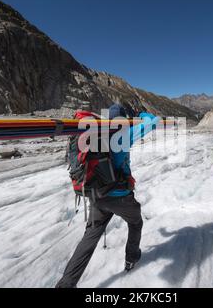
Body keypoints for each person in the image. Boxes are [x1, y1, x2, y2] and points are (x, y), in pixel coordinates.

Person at [55, 104, 159, 288]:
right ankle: (131, 259)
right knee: (136, 222)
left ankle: (66, 284)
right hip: (120, 196)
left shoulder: (99, 134)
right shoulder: (124, 134)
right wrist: (139, 114)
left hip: (97, 194)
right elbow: (152, 121)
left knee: (90, 236)